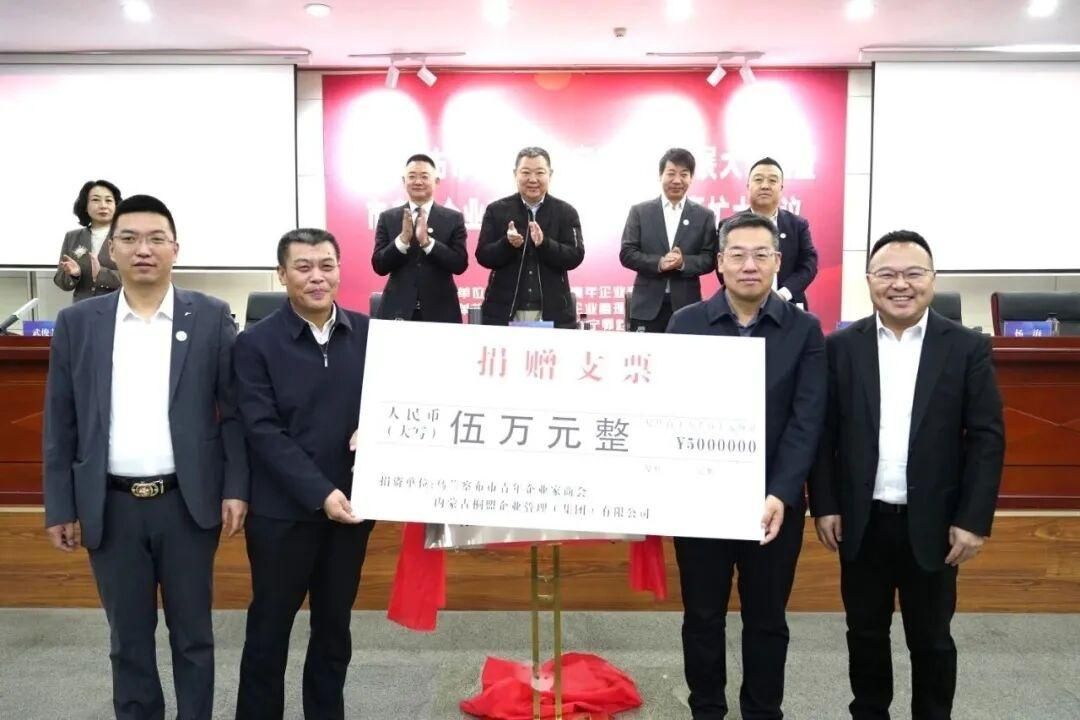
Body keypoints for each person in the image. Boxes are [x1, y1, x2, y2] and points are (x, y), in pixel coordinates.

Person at [42, 194, 249, 720]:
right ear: (110, 250)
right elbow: (61, 421)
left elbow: (234, 412)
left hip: (186, 504)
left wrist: (236, 487)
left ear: (176, 249)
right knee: (127, 640)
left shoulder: (209, 316)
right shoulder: (79, 323)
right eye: (130, 239)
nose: (143, 249)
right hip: (111, 506)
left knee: (193, 636)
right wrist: (60, 505)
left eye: (157, 239)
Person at [809, 230, 1005, 720]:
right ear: (869, 280)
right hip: (862, 521)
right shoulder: (840, 347)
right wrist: (825, 504)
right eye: (887, 274)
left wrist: (973, 520)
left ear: (933, 279)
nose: (900, 284)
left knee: (932, 639)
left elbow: (986, 438)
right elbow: (824, 434)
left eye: (913, 273)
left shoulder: (966, 347)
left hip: (935, 523)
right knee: (865, 634)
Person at [667, 212, 826, 720]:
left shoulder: (804, 330)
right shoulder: (685, 324)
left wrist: (781, 492)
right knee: (702, 617)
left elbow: (807, 420)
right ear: (719, 263)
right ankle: (706, 710)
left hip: (773, 504)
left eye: (761, 255)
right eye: (737, 255)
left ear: (778, 262)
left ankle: (762, 711)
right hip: (701, 503)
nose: (749, 265)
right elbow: (668, 410)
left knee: (767, 619)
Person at [234, 228, 375, 720]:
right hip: (281, 515)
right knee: (268, 633)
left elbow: (396, 403)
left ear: (339, 270)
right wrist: (320, 492)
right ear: (282, 274)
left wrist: (379, 427)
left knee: (334, 631)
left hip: (351, 511)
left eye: (326, 266)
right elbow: (262, 430)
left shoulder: (369, 335)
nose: (317, 277)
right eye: (303, 267)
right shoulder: (254, 343)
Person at [475, 146, 584, 328]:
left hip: (553, 314)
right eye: (526, 172)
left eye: (540, 172)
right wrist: (507, 243)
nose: (533, 179)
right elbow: (483, 255)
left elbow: (575, 255)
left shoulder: (566, 212)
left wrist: (544, 244)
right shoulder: (496, 210)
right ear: (515, 174)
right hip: (504, 314)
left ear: (550, 174)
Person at [620, 148, 718, 332]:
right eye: (671, 173)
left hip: (687, 306)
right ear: (660, 175)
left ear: (691, 178)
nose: (677, 180)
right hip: (646, 307)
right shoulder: (640, 212)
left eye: (684, 174)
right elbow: (627, 253)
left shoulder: (704, 215)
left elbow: (709, 259)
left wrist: (683, 263)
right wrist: (659, 262)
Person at [372, 153, 468, 321]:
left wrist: (428, 243)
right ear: (404, 181)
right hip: (397, 311)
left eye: (424, 176)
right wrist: (402, 241)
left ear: (436, 181)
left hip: (441, 312)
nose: (418, 182)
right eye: (412, 176)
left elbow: (460, 264)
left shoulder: (453, 218)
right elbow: (379, 265)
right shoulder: (388, 218)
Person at [721, 158, 818, 309]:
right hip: (742, 307)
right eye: (758, 180)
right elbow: (724, 267)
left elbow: (808, 265)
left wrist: (783, 294)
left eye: (772, 180)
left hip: (789, 305)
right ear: (748, 186)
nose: (765, 185)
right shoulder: (729, 225)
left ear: (781, 187)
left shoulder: (798, 225)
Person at [54, 179, 124, 302]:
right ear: (85, 206)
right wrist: (73, 275)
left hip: (115, 306)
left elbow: (136, 278)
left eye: (108, 200)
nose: (103, 205)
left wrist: (101, 274)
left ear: (116, 206)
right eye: (96, 200)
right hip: (82, 307)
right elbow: (61, 282)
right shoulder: (72, 237)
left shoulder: (127, 237)